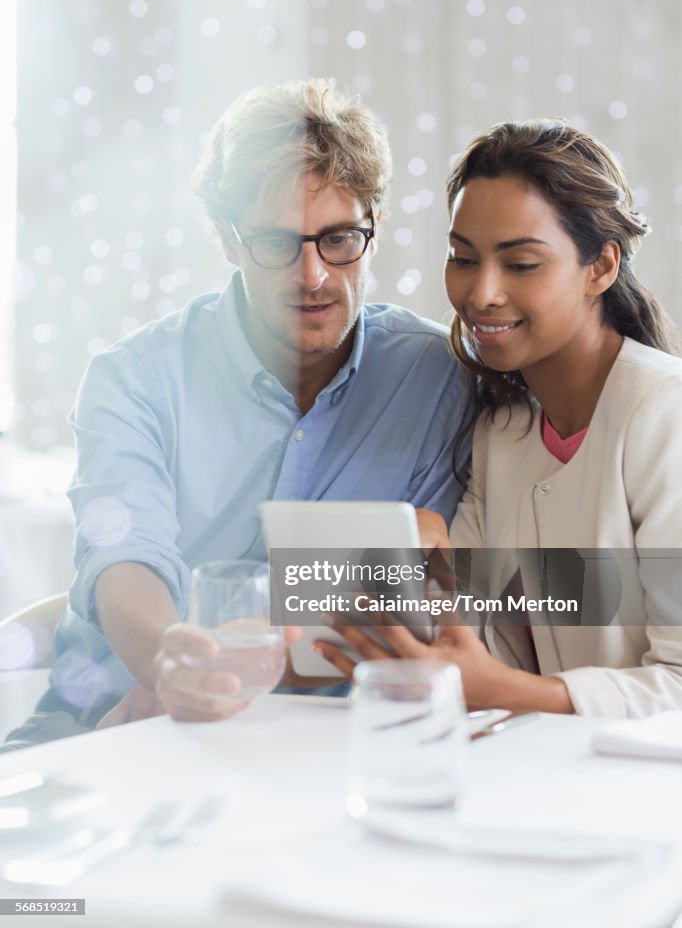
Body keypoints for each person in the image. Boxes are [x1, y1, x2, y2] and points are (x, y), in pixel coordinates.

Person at [3, 78, 471, 750]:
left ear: (374, 224)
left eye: (339, 239)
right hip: (104, 722)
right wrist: (171, 664)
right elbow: (128, 562)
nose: (312, 275)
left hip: (318, 738)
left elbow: (416, 598)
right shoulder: (134, 379)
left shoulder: (434, 378)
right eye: (276, 244)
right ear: (226, 238)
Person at [316, 118, 682, 718]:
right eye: (463, 258)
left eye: (521, 264)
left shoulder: (665, 416)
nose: (481, 293)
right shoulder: (504, 429)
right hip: (534, 779)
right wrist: (428, 583)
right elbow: (486, 634)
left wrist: (501, 691)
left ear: (601, 267)